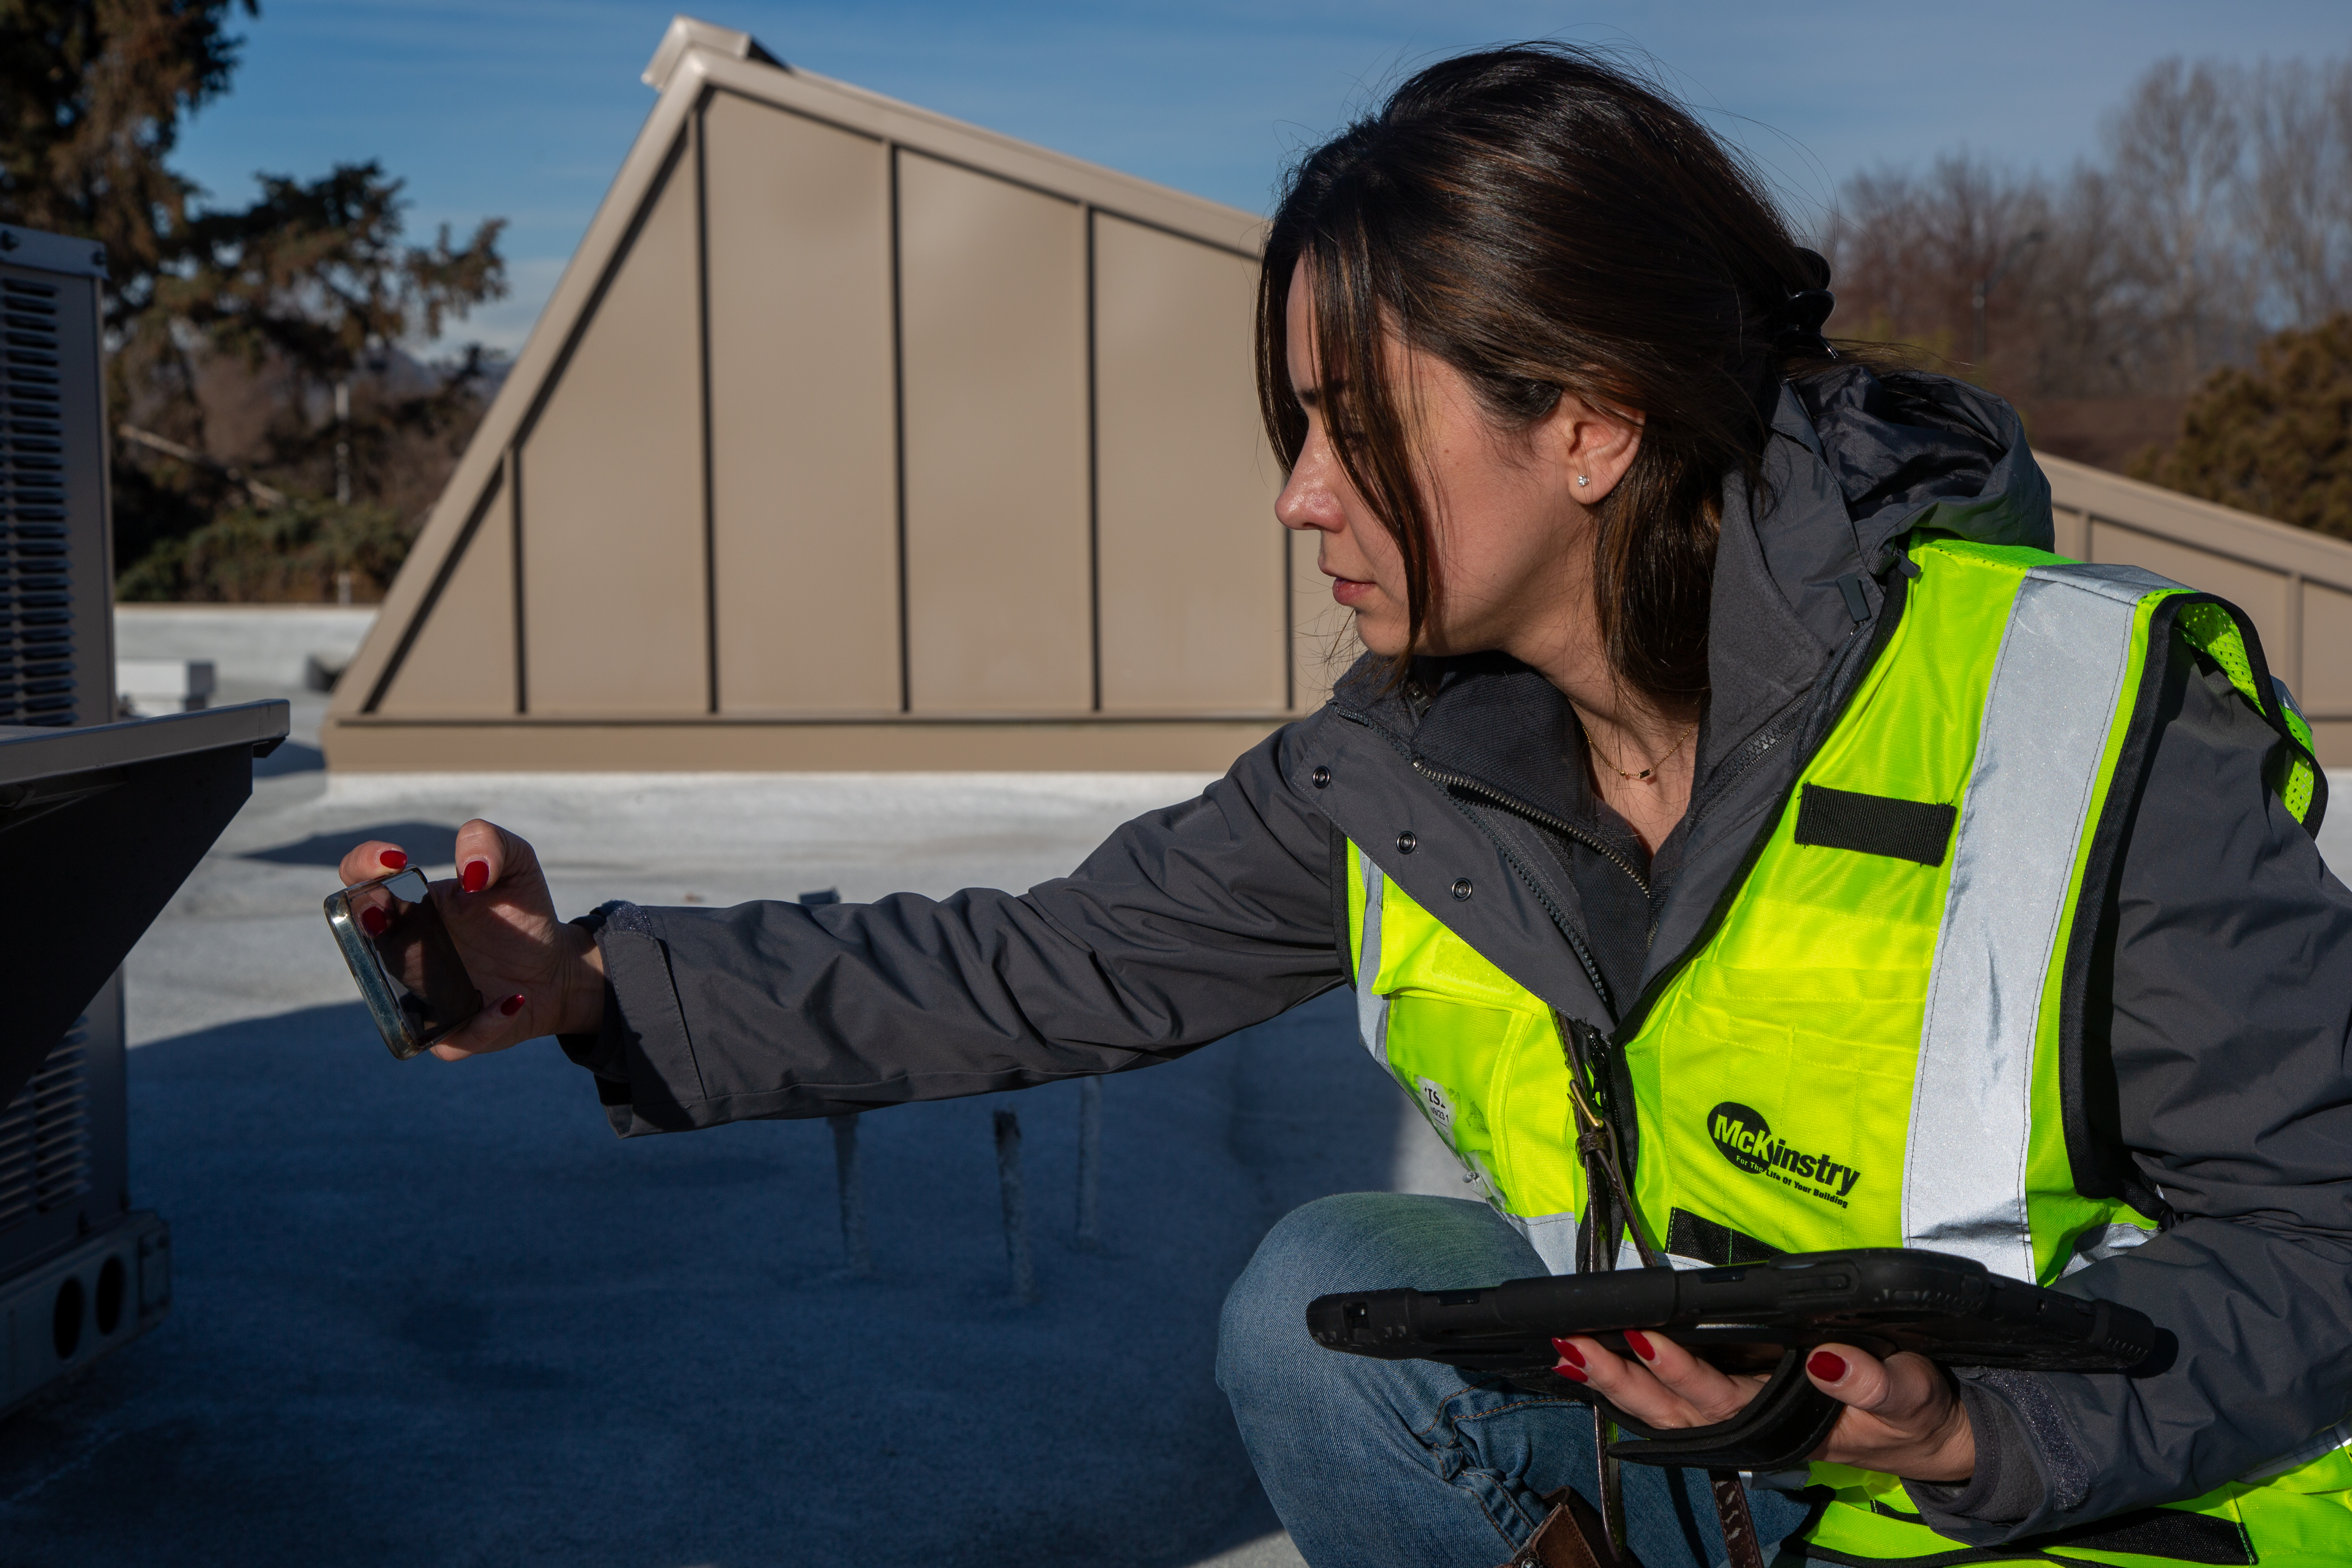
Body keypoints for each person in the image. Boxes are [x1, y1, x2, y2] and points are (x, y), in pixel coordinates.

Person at [338, 46, 2352, 1568]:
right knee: (1333, 1308)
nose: (1302, 491)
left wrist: (1964, 1430)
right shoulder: (1407, 758)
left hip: (2092, 1503)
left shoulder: (2077, 709)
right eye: (1294, 426)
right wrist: (587, 980)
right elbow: (1050, 965)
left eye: (1354, 427)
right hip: (1751, 1477)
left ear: (1585, 423)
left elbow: (2326, 1235)